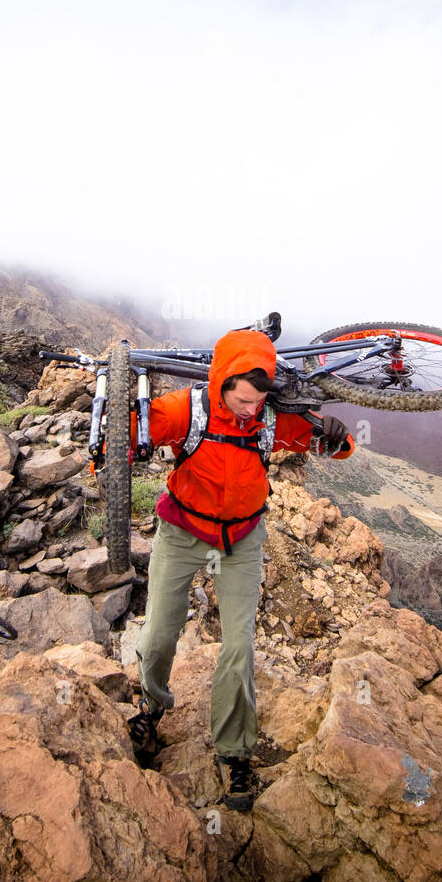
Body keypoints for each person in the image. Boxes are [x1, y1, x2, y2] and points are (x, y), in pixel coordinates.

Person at [125, 327, 354, 810]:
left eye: (258, 399)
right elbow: (134, 430)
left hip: (242, 540)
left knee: (239, 647)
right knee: (160, 634)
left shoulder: (269, 421)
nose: (250, 409)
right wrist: (113, 444)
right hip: (183, 531)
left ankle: (234, 754)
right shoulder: (188, 409)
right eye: (242, 399)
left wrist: (336, 437)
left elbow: (330, 445)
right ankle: (150, 706)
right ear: (220, 383)